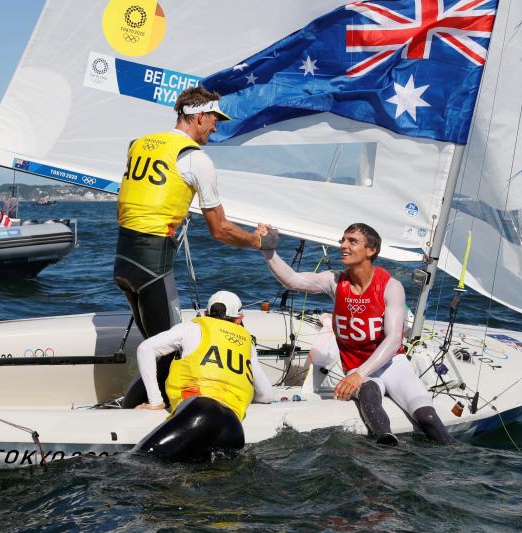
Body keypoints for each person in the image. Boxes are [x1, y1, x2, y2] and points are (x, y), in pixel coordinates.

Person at [114, 85, 277, 407]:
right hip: (153, 266)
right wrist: (261, 241)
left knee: (156, 343)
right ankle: (139, 412)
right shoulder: (195, 159)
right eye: (214, 119)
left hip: (123, 261)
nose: (216, 126)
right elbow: (221, 230)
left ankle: (132, 406)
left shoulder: (139, 145)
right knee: (171, 350)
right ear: (199, 117)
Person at [262, 223, 454, 445]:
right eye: (343, 240)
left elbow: (393, 340)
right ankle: (386, 451)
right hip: (357, 366)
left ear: (371, 250)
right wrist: (268, 251)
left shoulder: (391, 286)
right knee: (370, 394)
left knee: (428, 418)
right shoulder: (334, 281)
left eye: (352, 241)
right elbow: (292, 280)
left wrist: (359, 374)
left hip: (392, 365)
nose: (343, 246)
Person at [132, 290, 274, 461]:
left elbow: (145, 348)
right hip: (233, 427)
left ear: (206, 313)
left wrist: (156, 402)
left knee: (138, 462)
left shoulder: (192, 327)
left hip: (201, 412)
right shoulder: (247, 343)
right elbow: (267, 395)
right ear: (239, 320)